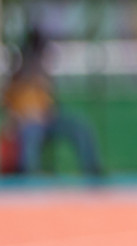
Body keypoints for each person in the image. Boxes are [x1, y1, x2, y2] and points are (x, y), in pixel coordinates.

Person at [2, 26, 103, 179]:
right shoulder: (16, 80)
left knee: (80, 127)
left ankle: (93, 172)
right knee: (31, 134)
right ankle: (28, 177)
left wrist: (47, 113)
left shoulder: (42, 78)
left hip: (48, 122)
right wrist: (22, 120)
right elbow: (11, 110)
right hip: (27, 124)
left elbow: (51, 106)